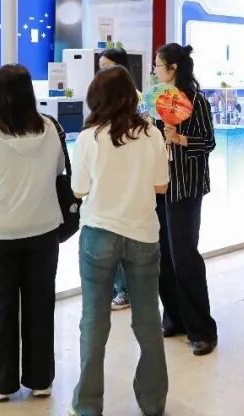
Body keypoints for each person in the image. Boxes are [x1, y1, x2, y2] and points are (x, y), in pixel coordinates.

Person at [0, 64, 65, 402]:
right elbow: (58, 170)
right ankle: (41, 379)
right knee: (41, 304)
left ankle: (0, 383)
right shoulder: (49, 128)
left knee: (2, 308)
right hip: (44, 230)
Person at [70, 66, 169, 416]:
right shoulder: (152, 134)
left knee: (93, 322)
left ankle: (87, 404)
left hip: (98, 233)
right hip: (143, 234)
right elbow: (161, 186)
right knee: (147, 320)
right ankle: (153, 401)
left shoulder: (88, 138)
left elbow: (78, 189)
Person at [153, 43, 218, 357]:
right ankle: (174, 318)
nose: (155, 70)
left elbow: (208, 142)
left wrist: (179, 138)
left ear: (173, 68)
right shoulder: (158, 98)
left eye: (158, 64)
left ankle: (202, 329)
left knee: (184, 257)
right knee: (163, 256)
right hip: (160, 186)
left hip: (186, 187)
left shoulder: (197, 100)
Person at [98, 46, 140, 311]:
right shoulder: (101, 98)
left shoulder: (136, 99)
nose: (101, 72)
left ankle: (125, 290)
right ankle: (117, 287)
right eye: (100, 67)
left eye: (106, 67)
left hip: (127, 180)